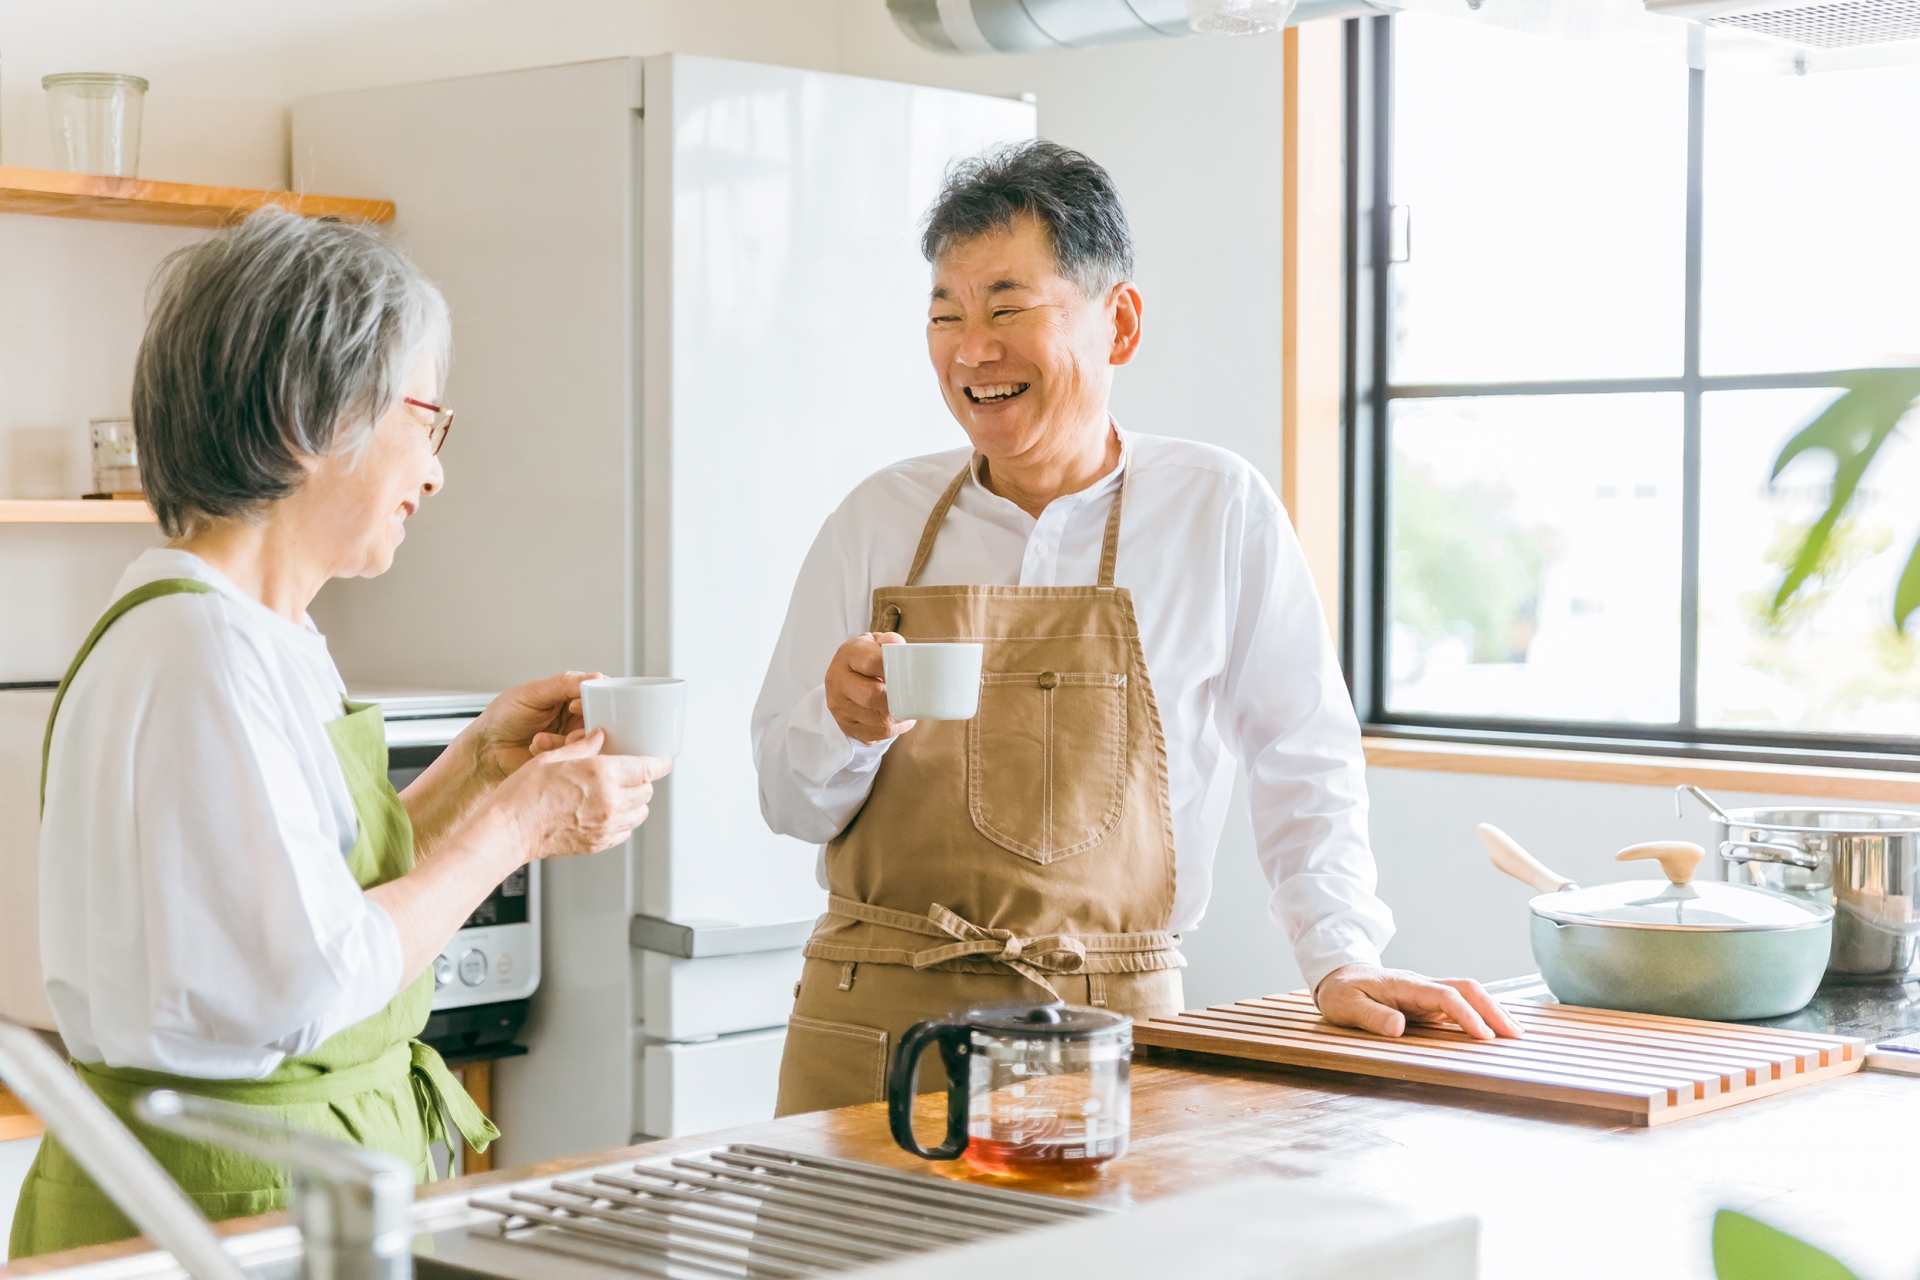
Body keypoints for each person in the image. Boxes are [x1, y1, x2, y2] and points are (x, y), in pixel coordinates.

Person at [752, 141, 1520, 1115]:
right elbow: (786, 799)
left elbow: (1303, 754)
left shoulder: (1217, 508)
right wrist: (839, 720)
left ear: (1119, 323)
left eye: (1006, 306)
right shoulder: (877, 519)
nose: (970, 347)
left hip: (1106, 1026)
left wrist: (1338, 957)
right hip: (870, 1026)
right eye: (945, 314)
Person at [11, 210, 670, 1257]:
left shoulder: (260, 635)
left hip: (271, 1184)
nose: (436, 470)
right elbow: (310, 977)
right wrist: (512, 830)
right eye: (425, 419)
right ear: (304, 418)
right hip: (231, 1204)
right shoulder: (203, 651)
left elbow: (289, 899)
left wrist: (468, 774)